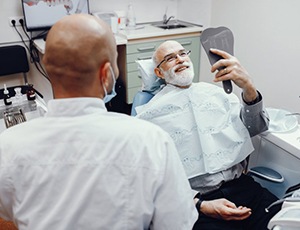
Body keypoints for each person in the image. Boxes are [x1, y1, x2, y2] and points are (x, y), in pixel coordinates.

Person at [0, 15, 198, 230]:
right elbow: (177, 224)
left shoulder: (8, 146)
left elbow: (7, 212)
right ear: (106, 74)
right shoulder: (151, 141)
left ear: (48, 67)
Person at [135, 40, 281, 230]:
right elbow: (150, 179)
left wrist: (248, 87)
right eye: (170, 58)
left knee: (286, 221)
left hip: (244, 188)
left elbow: (257, 127)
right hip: (200, 203)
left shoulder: (218, 94)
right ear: (159, 72)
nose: (180, 60)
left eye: (182, 54)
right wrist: (199, 204)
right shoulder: (150, 115)